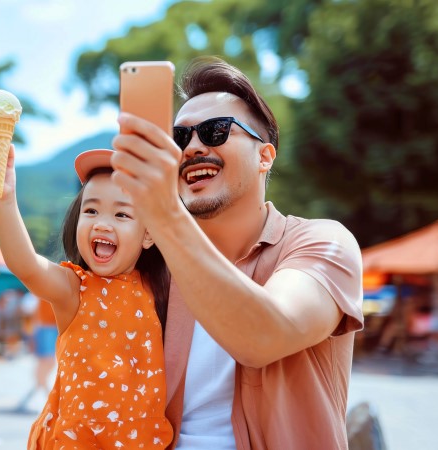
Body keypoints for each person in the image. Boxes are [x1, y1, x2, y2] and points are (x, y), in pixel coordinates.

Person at [109, 56, 364, 449]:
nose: (192, 147)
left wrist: (164, 213)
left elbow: (263, 335)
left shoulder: (322, 242)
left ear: (264, 156)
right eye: (179, 138)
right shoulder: (156, 261)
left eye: (215, 131)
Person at [0, 143, 173, 448]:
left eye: (122, 214)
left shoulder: (160, 289)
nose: (102, 223)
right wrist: (5, 200)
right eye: (91, 210)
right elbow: (27, 266)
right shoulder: (74, 288)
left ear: (148, 234)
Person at [14, 295, 58, 413]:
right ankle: (50, 399)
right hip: (45, 329)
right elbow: (28, 315)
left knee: (45, 366)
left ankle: (45, 396)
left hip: (49, 328)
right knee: (47, 364)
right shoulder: (36, 296)